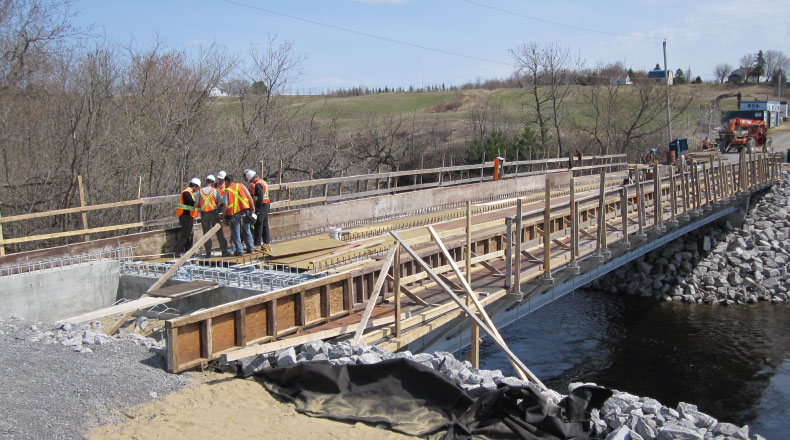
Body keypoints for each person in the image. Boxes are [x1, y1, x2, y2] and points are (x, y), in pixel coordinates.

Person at [223, 175, 255, 256]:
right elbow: (249, 197)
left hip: (234, 213)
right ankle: (250, 248)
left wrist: (224, 216)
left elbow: (225, 205)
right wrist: (252, 207)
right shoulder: (241, 185)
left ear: (226, 181)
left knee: (236, 232)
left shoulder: (226, 191)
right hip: (245, 211)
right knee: (247, 229)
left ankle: (239, 250)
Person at [198, 175, 229, 257]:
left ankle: (208, 253)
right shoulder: (214, 191)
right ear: (212, 183)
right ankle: (224, 251)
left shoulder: (200, 191)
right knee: (219, 232)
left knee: (206, 233)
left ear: (206, 181)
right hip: (213, 213)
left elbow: (196, 204)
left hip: (204, 213)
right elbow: (219, 201)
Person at [245, 169, 272, 252]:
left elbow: (259, 198)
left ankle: (257, 244)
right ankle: (266, 243)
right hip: (266, 204)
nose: (251, 182)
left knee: (258, 224)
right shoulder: (263, 182)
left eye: (251, 180)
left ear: (252, 178)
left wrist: (256, 209)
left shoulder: (258, 185)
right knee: (265, 224)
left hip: (262, 206)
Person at [175, 178, 200, 254]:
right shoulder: (186, 193)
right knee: (185, 234)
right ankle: (180, 251)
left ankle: (188, 251)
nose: (197, 189)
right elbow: (192, 204)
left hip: (188, 216)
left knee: (190, 233)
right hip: (185, 216)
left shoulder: (189, 192)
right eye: (197, 187)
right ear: (195, 186)